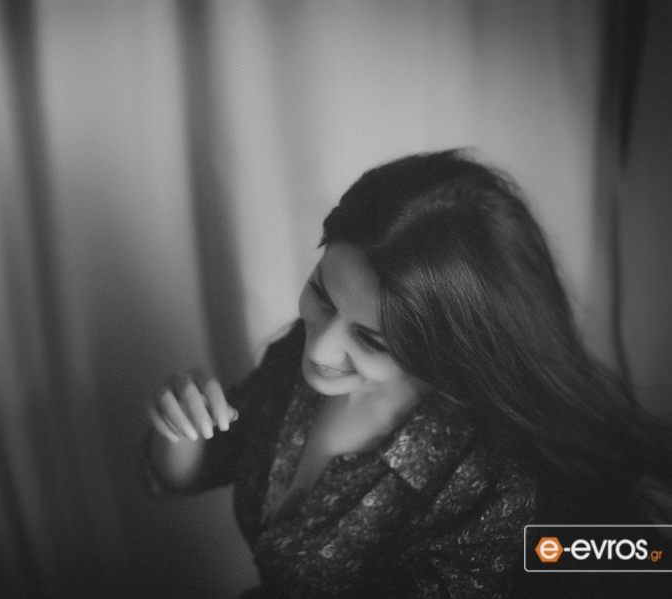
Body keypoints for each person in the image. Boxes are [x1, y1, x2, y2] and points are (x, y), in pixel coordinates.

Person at [143, 150, 672, 598]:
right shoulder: (290, 359)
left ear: (447, 350)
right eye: (322, 295)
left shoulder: (484, 482)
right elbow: (194, 471)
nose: (320, 349)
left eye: (371, 340)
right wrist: (181, 428)